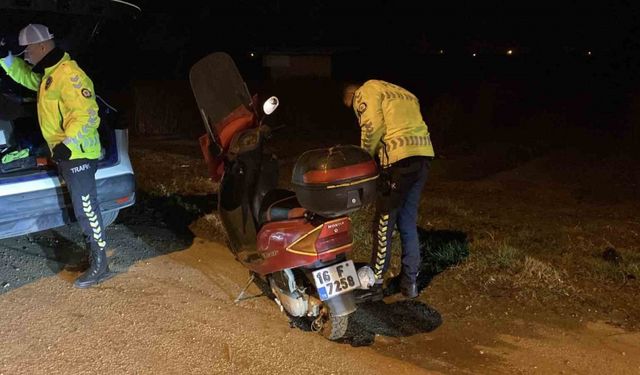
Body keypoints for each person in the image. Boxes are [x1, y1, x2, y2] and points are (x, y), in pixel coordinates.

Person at [0, 24, 113, 288]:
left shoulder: (70, 75)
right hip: (67, 154)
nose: (26, 55)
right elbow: (27, 79)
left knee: (86, 208)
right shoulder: (50, 75)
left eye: (27, 50)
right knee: (80, 207)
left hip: (79, 155)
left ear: (41, 47)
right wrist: (5, 59)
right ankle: (94, 259)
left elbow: (87, 114)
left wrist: (67, 144)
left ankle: (101, 265)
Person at [343, 79, 434, 299]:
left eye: (352, 108)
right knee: (408, 222)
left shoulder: (366, 91)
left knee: (384, 222)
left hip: (398, 162)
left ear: (351, 97)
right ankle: (410, 283)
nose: (355, 112)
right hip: (423, 157)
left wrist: (363, 159)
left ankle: (375, 283)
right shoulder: (405, 93)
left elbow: (372, 126)